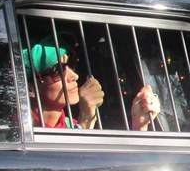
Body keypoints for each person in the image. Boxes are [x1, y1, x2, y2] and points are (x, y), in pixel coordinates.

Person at [23, 38, 160, 131]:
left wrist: (139, 125)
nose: (74, 76)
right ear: (30, 87)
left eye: (71, 64)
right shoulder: (21, 131)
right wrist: (85, 119)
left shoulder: (70, 124)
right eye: (58, 70)